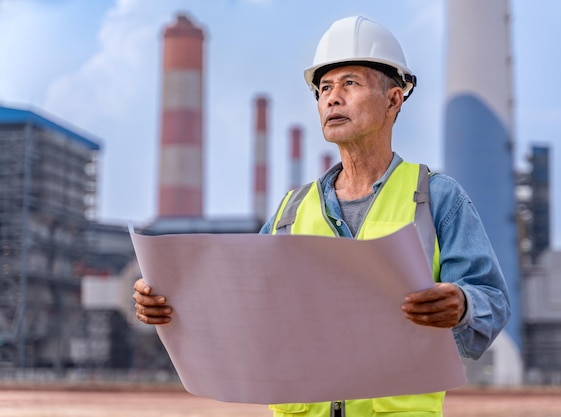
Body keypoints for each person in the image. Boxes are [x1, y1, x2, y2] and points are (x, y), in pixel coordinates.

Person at [134, 16, 511, 417]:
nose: (332, 98)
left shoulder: (435, 198)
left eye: (350, 83)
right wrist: (168, 303)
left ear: (394, 100)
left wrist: (463, 304)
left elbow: (493, 301)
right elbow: (242, 307)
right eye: (325, 88)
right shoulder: (289, 212)